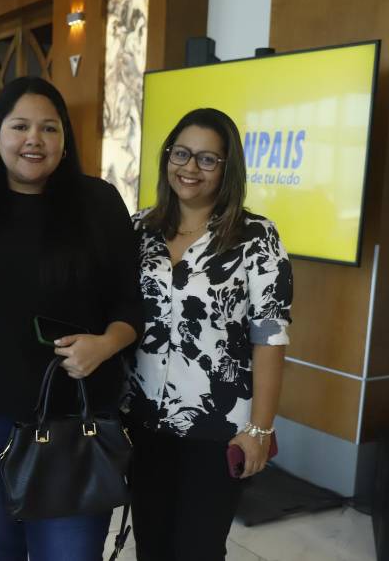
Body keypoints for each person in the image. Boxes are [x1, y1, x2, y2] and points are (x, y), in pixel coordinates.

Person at [0, 76, 143, 561]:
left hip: (75, 419)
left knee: (69, 554)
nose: (35, 139)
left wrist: (105, 343)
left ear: (65, 139)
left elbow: (130, 303)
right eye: (20, 126)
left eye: (49, 128)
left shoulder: (98, 203)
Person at [122, 108, 293, 560]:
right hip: (141, 422)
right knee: (152, 545)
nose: (190, 168)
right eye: (181, 153)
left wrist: (260, 428)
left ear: (227, 167)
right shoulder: (139, 229)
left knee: (198, 548)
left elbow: (270, 336)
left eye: (206, 159)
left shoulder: (256, 237)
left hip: (217, 427)